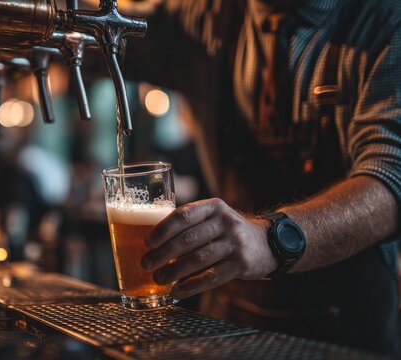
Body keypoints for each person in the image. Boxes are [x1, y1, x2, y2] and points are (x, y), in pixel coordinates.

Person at [122, 0, 401, 357]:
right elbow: (105, 34)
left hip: (343, 329)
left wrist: (272, 240)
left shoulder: (384, 17)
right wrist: (41, 22)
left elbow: (390, 178)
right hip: (226, 321)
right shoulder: (207, 15)